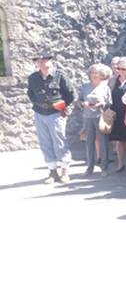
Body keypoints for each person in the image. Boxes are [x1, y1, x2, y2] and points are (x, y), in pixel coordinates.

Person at [27, 54, 75, 184]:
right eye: (39, 61)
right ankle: (52, 171)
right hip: (40, 112)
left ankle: (65, 170)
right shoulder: (33, 78)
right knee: (45, 142)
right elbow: (30, 94)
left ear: (50, 61)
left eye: (44, 60)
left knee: (59, 141)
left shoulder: (60, 75)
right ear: (36, 63)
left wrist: (61, 107)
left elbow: (70, 94)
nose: (42, 63)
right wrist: (40, 104)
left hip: (56, 112)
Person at [79, 63, 113, 177]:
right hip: (87, 117)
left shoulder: (105, 87)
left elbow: (109, 103)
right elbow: (79, 101)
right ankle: (89, 167)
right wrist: (83, 104)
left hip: (100, 117)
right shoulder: (85, 86)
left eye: (96, 73)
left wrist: (102, 103)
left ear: (101, 75)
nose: (94, 75)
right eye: (92, 73)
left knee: (103, 142)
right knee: (89, 142)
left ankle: (104, 168)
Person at [109, 57, 126, 172]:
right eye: (118, 68)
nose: (120, 71)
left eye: (123, 69)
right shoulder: (113, 80)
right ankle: (120, 164)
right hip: (116, 113)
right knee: (119, 140)